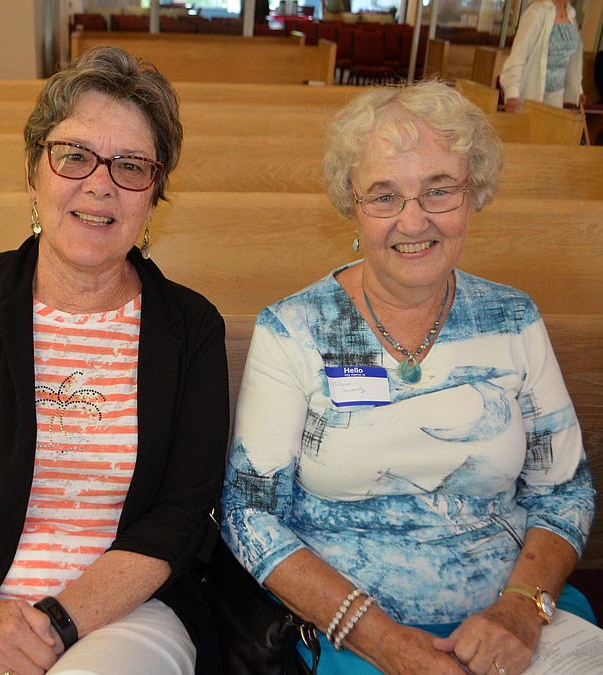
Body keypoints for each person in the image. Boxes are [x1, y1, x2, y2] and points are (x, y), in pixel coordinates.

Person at [0, 45, 229, 675]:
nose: (100, 183)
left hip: (128, 612)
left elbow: (182, 515)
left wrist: (50, 626)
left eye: (131, 165)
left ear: (154, 195)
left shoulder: (189, 328)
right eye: (75, 155)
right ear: (34, 171)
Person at [220, 80, 596, 674]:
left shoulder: (512, 319)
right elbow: (250, 514)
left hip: (513, 622)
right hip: (349, 629)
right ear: (353, 203)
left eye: (439, 191)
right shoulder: (295, 330)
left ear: (473, 195)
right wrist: (382, 641)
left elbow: (564, 489)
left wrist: (521, 610)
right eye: (385, 196)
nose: (413, 221)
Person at [499, 0, 584, 113]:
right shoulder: (537, 12)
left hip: (557, 95)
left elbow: (571, 60)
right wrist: (512, 92)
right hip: (532, 91)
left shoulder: (571, 14)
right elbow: (518, 56)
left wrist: (578, 89)